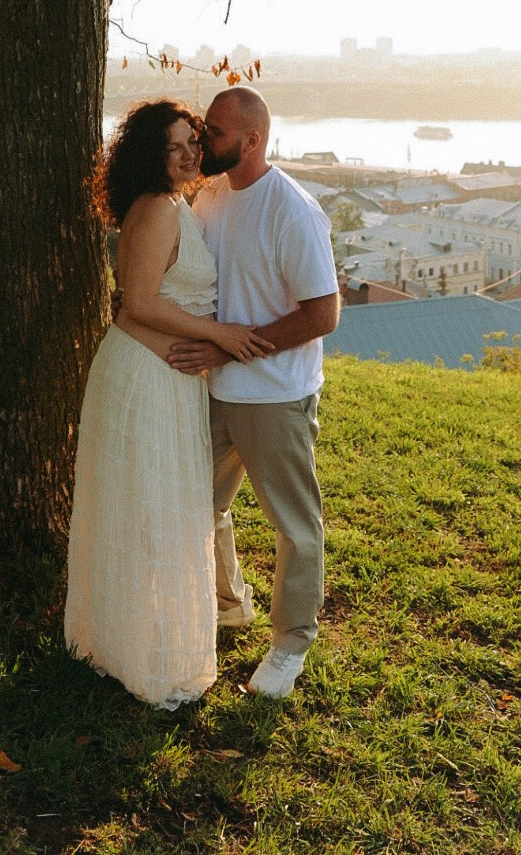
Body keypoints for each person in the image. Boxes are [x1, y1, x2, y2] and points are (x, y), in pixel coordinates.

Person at [64, 99, 273, 709]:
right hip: (146, 379)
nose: (189, 154)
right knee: (149, 509)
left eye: (193, 142)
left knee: (155, 509)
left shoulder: (180, 206)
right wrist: (222, 336)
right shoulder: (156, 208)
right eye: (174, 146)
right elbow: (139, 305)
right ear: (151, 157)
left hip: (169, 377)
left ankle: (134, 638)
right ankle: (137, 653)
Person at [168, 87, 340, 700]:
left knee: (295, 526)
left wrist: (230, 348)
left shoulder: (292, 210)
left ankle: (291, 644)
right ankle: (228, 601)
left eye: (213, 131)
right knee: (198, 505)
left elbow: (323, 314)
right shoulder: (211, 196)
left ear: (253, 139)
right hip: (213, 390)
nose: (203, 139)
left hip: (275, 397)